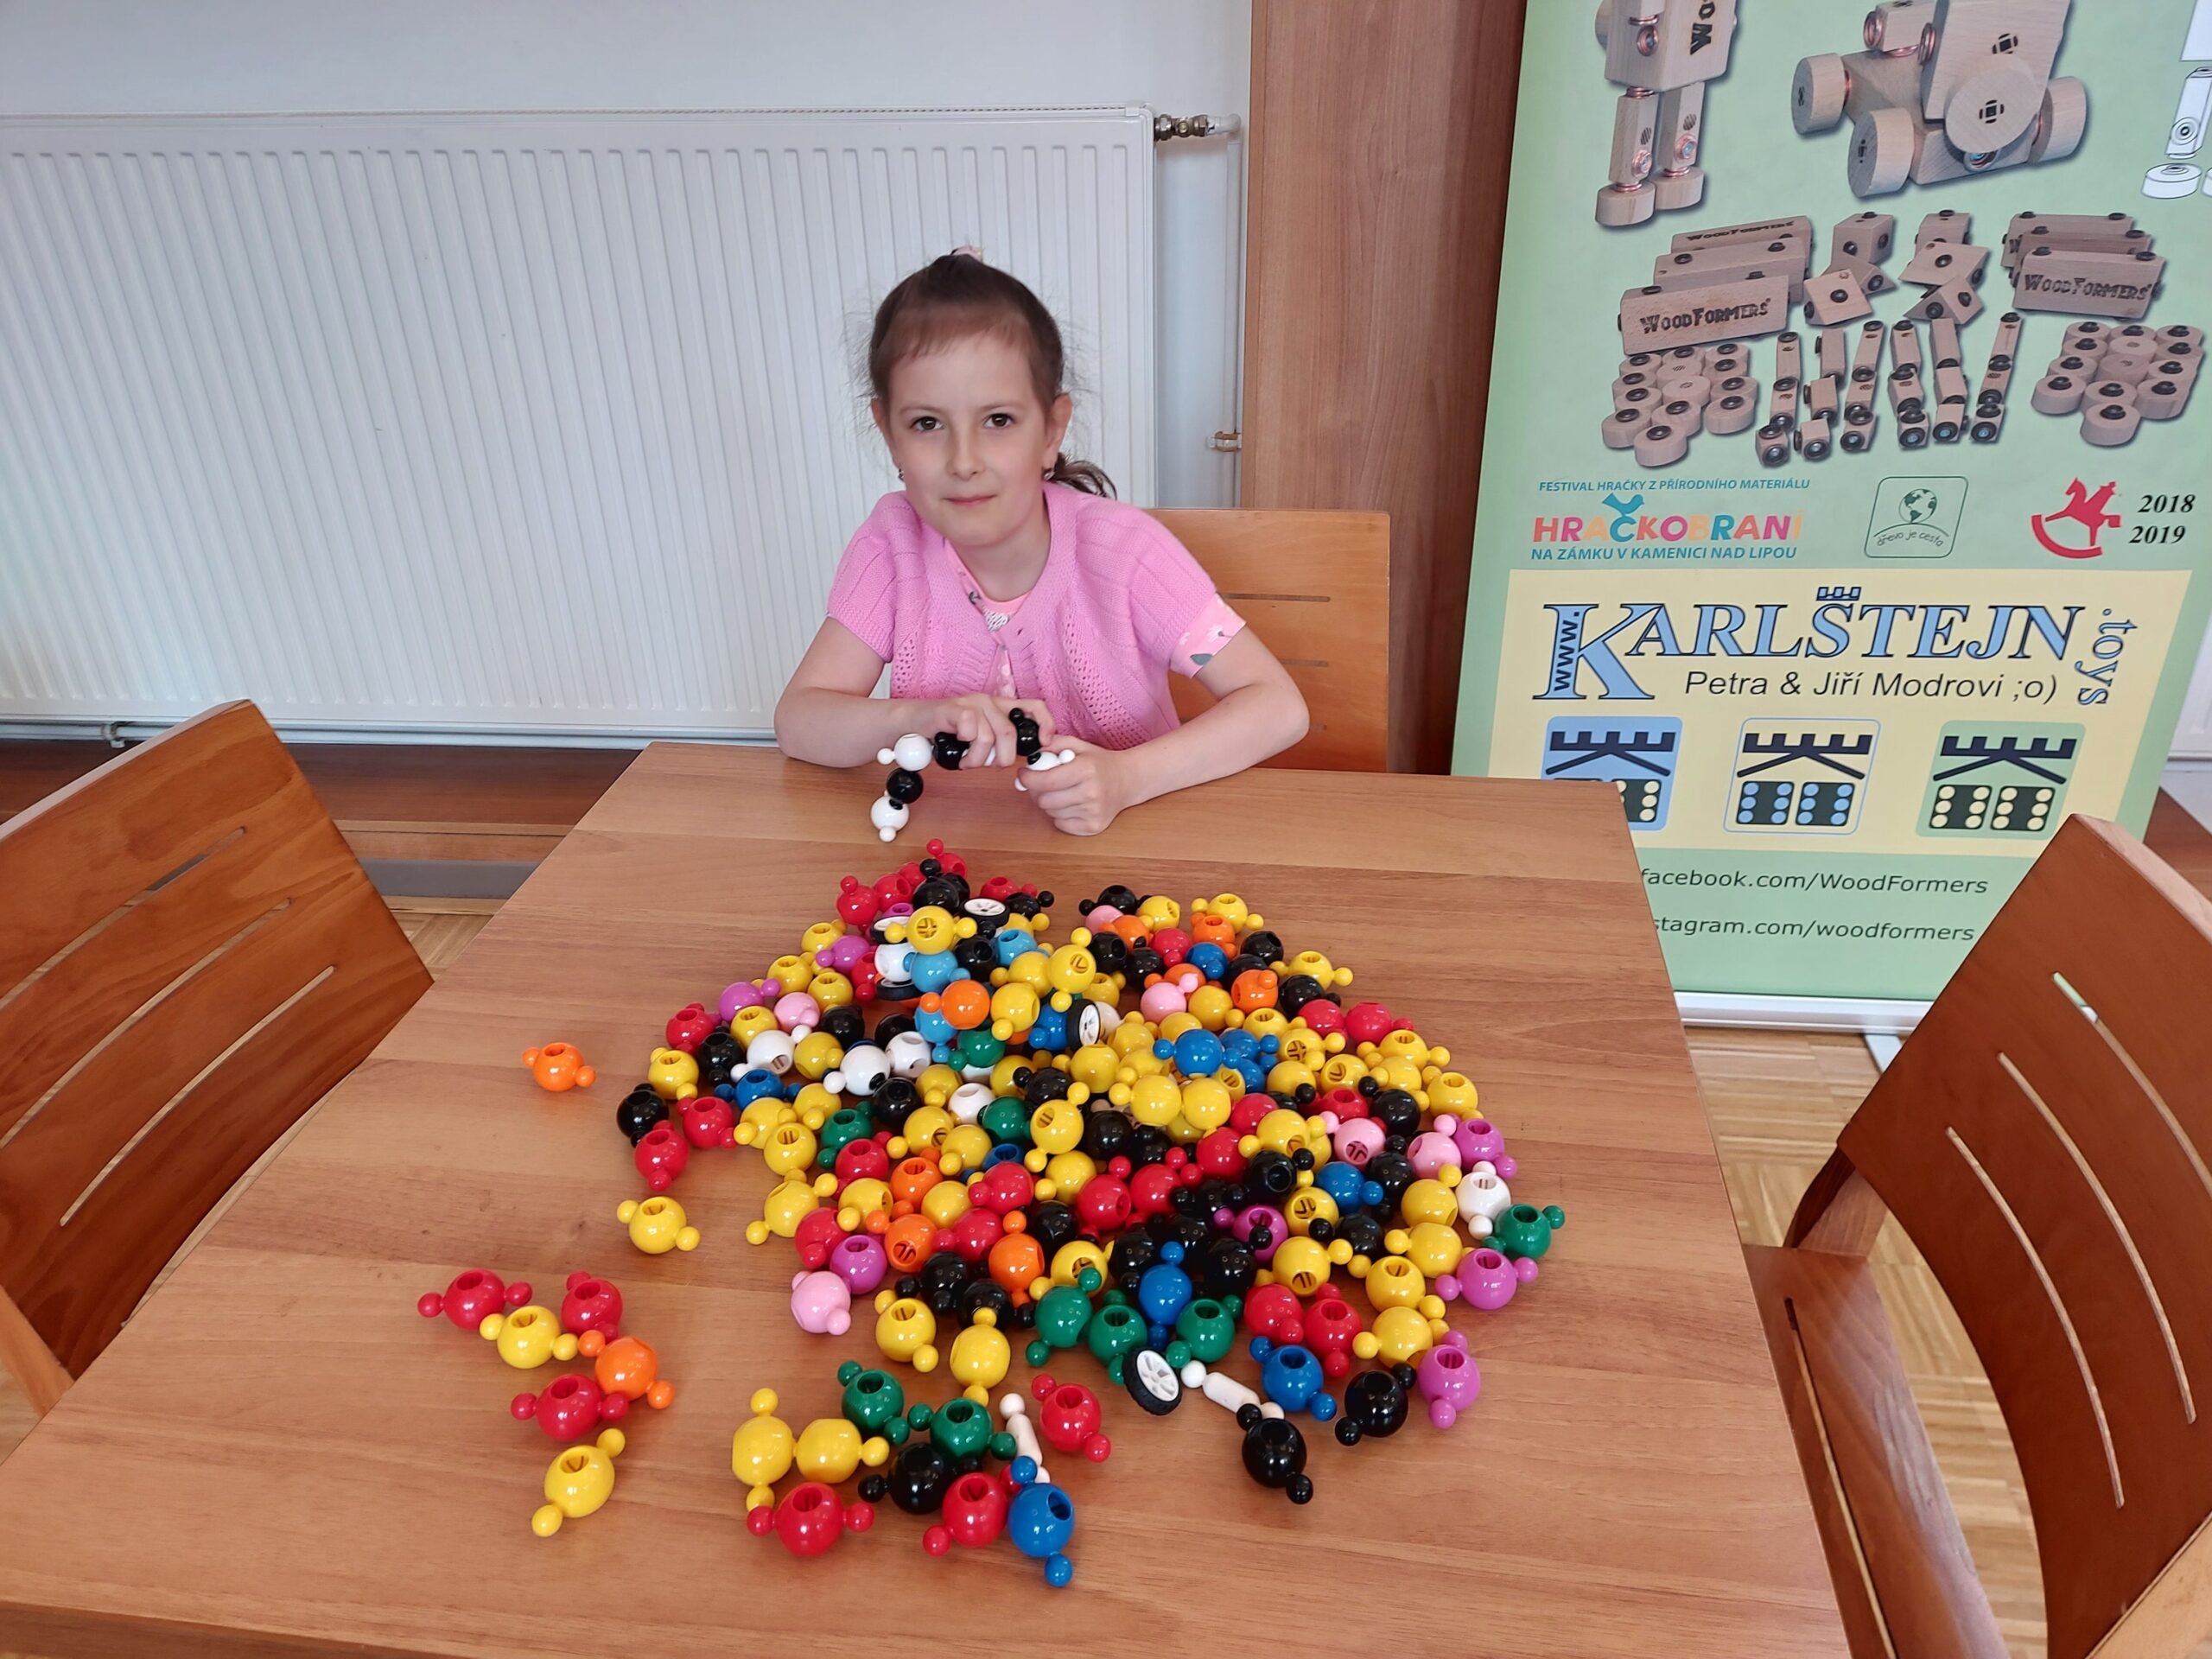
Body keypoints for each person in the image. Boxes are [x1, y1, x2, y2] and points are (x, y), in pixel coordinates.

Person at [773, 251, 1308, 836]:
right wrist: (916, 717)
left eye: (998, 420)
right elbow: (799, 721)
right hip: (956, 857)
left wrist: (1127, 778)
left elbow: (1277, 706)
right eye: (927, 423)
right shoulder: (892, 545)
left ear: (1052, 429)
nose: (964, 461)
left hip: (1126, 857)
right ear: (889, 435)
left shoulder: (1126, 553)